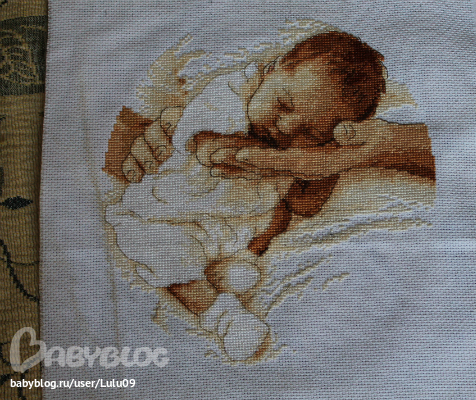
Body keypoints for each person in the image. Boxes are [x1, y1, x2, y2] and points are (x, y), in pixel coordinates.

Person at [104, 31, 435, 361]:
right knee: (171, 255)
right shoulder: (229, 92)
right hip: (166, 215)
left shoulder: (298, 147)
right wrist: (268, 158)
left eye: (310, 132)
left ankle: (231, 265)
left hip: (227, 224)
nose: (287, 127)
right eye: (284, 104)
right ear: (272, 68)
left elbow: (304, 205)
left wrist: (324, 166)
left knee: (277, 217)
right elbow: (207, 148)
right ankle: (224, 318)